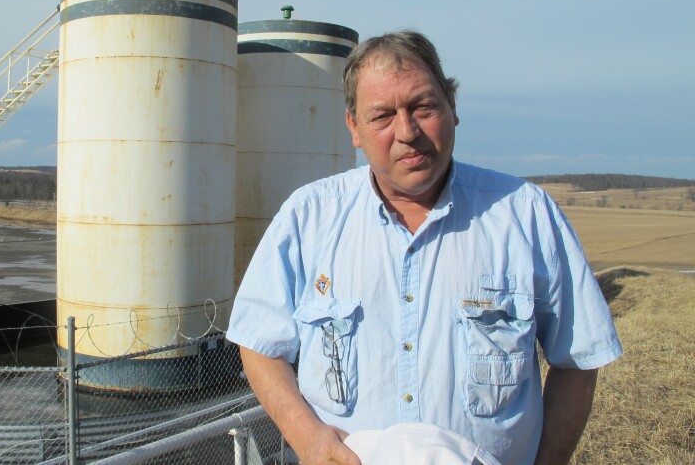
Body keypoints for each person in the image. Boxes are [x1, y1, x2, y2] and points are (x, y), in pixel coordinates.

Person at [225, 30, 622, 465]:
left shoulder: (525, 215)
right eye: (381, 116)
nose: (407, 131)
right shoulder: (309, 218)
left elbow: (579, 358)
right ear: (353, 128)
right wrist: (309, 439)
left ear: (453, 108)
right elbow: (260, 344)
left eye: (423, 107)